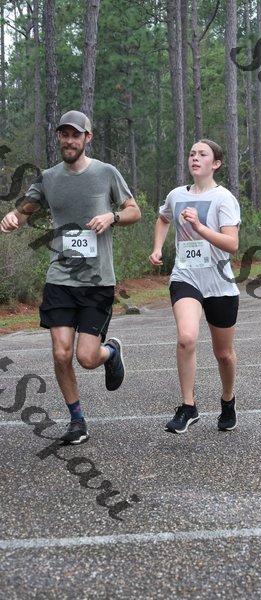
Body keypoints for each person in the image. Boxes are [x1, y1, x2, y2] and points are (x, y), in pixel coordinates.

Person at [0, 110, 141, 444]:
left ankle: (110, 353)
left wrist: (112, 216)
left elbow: (134, 211)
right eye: (64, 134)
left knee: (86, 357)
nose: (69, 140)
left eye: (76, 135)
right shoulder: (48, 178)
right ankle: (77, 420)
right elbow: (24, 211)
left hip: (97, 281)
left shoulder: (106, 173)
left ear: (87, 138)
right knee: (61, 353)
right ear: (58, 137)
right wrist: (12, 218)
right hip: (60, 278)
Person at [149, 139, 240, 434]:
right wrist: (158, 247)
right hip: (185, 276)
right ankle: (188, 406)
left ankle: (228, 400)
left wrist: (200, 227)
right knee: (186, 338)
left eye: (202, 154)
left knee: (223, 354)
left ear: (216, 164)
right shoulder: (176, 195)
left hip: (219, 283)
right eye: (191, 154)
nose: (195, 158)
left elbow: (232, 244)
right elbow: (163, 218)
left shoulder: (224, 198)